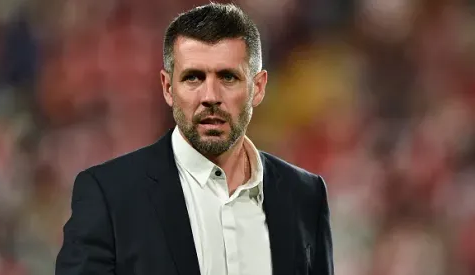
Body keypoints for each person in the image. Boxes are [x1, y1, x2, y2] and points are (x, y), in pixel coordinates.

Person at [55, 3, 334, 275]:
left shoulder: (305, 195)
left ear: (257, 88)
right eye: (193, 78)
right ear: (167, 87)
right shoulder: (109, 196)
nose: (210, 96)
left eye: (228, 77)